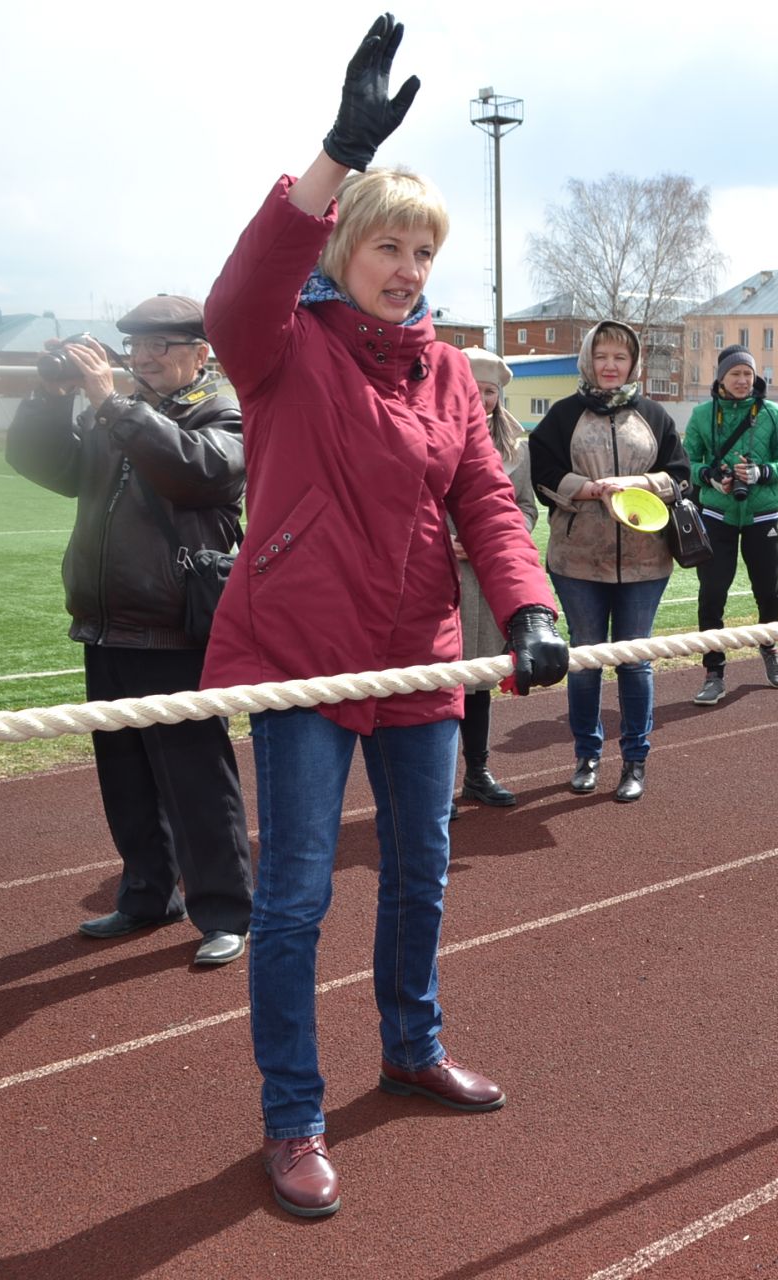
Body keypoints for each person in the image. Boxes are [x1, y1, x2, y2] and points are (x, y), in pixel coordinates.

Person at [202, 14, 569, 1217]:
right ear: (347, 245)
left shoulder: (453, 373)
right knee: (297, 893)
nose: (410, 267)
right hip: (300, 663)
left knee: (424, 869)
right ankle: (293, 1112)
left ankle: (411, 1045)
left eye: (425, 250)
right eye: (390, 246)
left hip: (420, 655)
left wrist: (525, 607)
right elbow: (236, 292)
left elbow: (487, 506)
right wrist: (335, 153)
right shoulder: (280, 347)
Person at [5, 295, 253, 968]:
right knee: (126, 778)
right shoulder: (120, 412)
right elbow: (44, 465)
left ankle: (227, 909)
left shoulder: (223, 413)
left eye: (161, 348)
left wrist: (112, 404)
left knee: (197, 779)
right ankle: (148, 894)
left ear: (201, 354)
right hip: (106, 624)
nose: (143, 360)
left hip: (176, 628)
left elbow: (196, 471)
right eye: (136, 350)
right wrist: (52, 397)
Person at [529, 319, 691, 803]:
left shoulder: (654, 416)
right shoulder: (562, 416)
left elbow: (681, 475)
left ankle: (636, 759)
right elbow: (544, 473)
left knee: (635, 659)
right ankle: (587, 754)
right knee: (584, 659)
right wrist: (587, 488)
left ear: (634, 362)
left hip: (646, 561)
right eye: (602, 356)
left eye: (620, 357)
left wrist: (641, 483)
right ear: (587, 360)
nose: (610, 366)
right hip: (578, 560)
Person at [684, 344, 778, 705]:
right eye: (735, 373)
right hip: (716, 515)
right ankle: (714, 671)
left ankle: (768, 646)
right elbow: (684, 463)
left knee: (768, 589)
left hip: (761, 515)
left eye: (748, 373)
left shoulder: (771, 412)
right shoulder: (703, 415)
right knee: (712, 593)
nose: (742, 380)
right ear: (721, 377)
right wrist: (709, 477)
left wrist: (761, 472)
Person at [452, 346, 539, 806]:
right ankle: (438, 786)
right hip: (441, 577)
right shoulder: (434, 436)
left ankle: (477, 772)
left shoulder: (515, 449)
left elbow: (527, 508)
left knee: (481, 679)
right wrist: (444, 543)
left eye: (490, 392)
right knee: (440, 682)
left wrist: (500, 539)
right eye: (473, 388)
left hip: (488, 581)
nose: (482, 398)